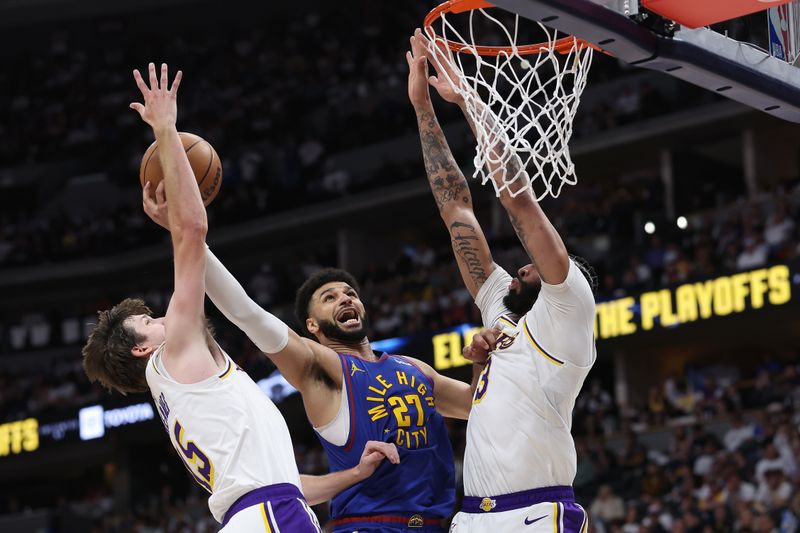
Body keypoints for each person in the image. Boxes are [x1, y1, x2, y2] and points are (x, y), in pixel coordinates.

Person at [82, 63, 399, 533]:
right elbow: (193, 230)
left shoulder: (188, 392)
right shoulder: (173, 357)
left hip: (264, 512)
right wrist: (166, 129)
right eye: (150, 321)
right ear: (142, 348)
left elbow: (282, 482)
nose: (164, 318)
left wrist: (353, 475)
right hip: (270, 519)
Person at [142, 151, 482, 533]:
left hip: (439, 525)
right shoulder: (320, 366)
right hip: (368, 525)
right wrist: (184, 234)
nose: (346, 299)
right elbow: (246, 313)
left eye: (349, 293)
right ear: (312, 326)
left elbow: (479, 406)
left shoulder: (414, 369)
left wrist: (482, 358)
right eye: (330, 298)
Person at [407, 30, 596, 531]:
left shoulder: (566, 309)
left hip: (536, 509)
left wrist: (469, 99)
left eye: (533, 264)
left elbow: (519, 202)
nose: (521, 266)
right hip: (471, 517)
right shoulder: (500, 310)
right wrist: (424, 107)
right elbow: (456, 211)